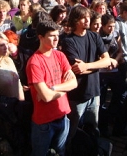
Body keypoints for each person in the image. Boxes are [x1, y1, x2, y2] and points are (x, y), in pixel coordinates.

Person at [26, 20, 78, 156]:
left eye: (57, 35)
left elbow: (74, 83)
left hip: (63, 117)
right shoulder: (34, 62)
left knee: (60, 152)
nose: (56, 39)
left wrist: (53, 88)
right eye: (51, 35)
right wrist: (64, 88)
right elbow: (46, 97)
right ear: (41, 37)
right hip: (44, 123)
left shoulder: (60, 55)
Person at [61, 5, 111, 143]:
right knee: (71, 132)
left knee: (93, 130)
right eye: (83, 18)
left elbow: (107, 61)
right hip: (77, 95)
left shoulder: (94, 36)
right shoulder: (68, 41)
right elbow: (77, 69)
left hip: (94, 93)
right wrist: (97, 64)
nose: (87, 20)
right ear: (75, 20)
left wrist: (87, 65)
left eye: (88, 17)